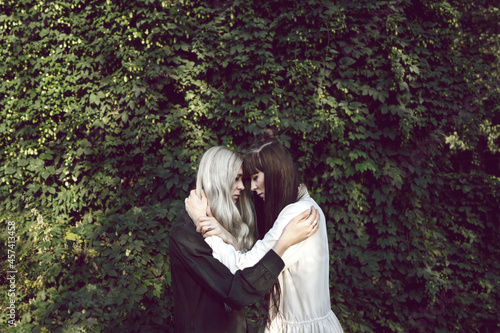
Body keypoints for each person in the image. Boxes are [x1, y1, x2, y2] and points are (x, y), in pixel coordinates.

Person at [190, 133, 344, 332]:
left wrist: (204, 226)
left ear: (274, 173)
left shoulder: (296, 213)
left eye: (255, 178)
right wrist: (226, 236)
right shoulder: (304, 205)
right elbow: (261, 260)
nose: (251, 187)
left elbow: (244, 267)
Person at [170, 146, 319, 332]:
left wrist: (228, 238)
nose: (243, 186)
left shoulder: (220, 223)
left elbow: (241, 269)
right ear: (218, 180)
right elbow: (237, 291)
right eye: (236, 179)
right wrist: (283, 243)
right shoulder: (187, 233)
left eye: (244, 179)